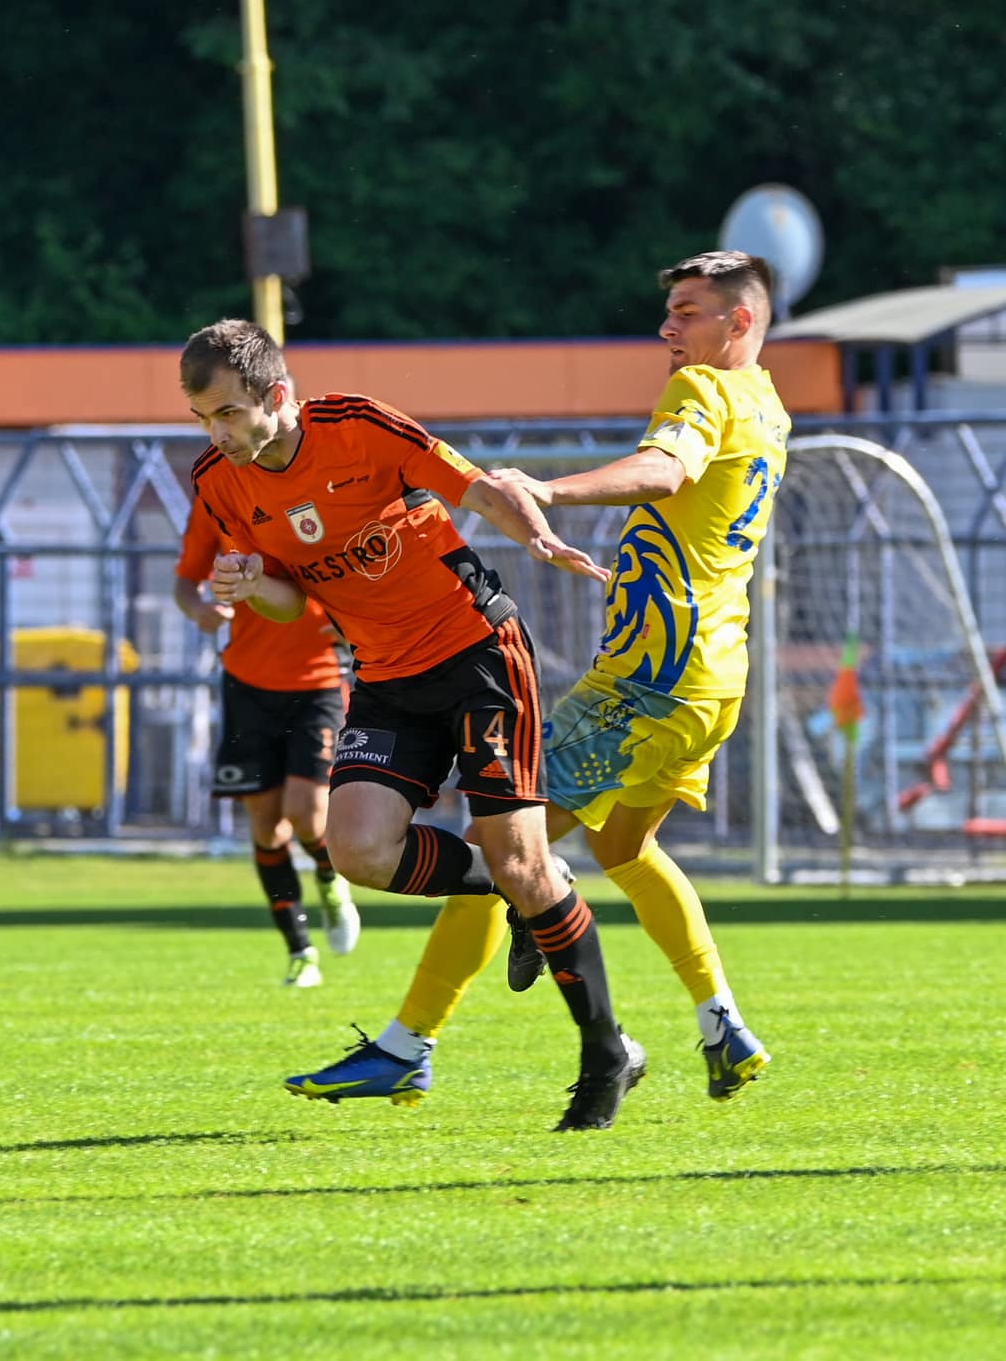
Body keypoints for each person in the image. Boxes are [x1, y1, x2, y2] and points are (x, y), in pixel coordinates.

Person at [182, 318, 643, 1130]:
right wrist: (251, 584)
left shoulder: (359, 426)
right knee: (357, 850)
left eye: (226, 414)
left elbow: (477, 488)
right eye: (202, 419)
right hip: (386, 677)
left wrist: (537, 536)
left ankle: (607, 1054)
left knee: (522, 862)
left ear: (276, 396)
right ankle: (525, 886)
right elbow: (293, 604)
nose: (215, 434)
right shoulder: (220, 482)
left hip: (477, 654)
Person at [484, 251, 785, 1100]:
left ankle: (410, 1043)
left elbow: (666, 471)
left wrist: (547, 489)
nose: (667, 328)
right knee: (622, 846)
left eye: (687, 311)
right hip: (714, 677)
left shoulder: (704, 389)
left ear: (739, 321)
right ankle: (722, 1024)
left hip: (650, 677)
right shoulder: (767, 404)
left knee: (505, 842)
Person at [172, 499, 360, 987]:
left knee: (306, 813)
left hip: (318, 684)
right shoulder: (216, 502)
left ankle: (329, 878)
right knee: (265, 824)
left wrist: (358, 623)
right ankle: (301, 952)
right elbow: (185, 583)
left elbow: (366, 568)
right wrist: (200, 609)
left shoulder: (315, 496)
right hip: (247, 685)